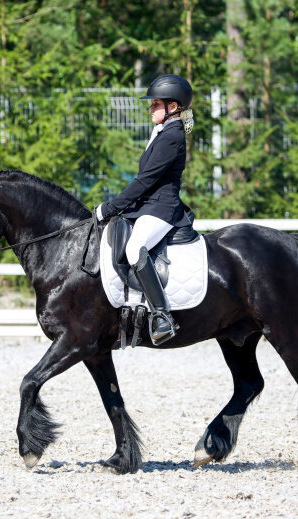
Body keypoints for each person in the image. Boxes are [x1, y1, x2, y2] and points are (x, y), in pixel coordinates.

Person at [96, 74, 194, 344]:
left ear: (173, 107)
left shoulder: (172, 136)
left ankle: (163, 316)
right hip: (148, 206)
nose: (150, 108)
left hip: (162, 208)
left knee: (133, 247)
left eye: (155, 104)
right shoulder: (163, 130)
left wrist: (111, 207)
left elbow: (145, 180)